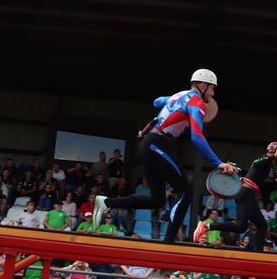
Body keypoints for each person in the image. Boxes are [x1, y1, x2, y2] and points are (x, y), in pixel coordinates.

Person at [93, 69, 235, 243]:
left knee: (157, 199)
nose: (213, 94)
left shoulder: (180, 95)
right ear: (203, 85)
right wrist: (217, 162)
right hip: (156, 144)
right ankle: (169, 241)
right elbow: (197, 137)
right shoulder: (196, 103)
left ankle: (107, 203)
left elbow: (156, 102)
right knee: (186, 191)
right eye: (212, 89)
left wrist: (172, 102)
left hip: (149, 144)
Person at [195, 141, 277, 251]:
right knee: (240, 226)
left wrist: (276, 182)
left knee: (262, 225)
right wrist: (274, 156)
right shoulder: (263, 159)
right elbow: (257, 162)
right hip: (245, 193)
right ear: (276, 152)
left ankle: (259, 253)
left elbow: (261, 184)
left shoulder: (267, 167)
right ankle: (206, 226)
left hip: (249, 195)